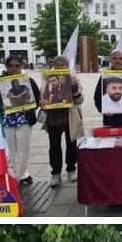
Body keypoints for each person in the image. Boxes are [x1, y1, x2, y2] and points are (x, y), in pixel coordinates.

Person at [0, 55, 40, 186]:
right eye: (11, 66)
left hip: (24, 118)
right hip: (6, 119)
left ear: (21, 66)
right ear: (6, 66)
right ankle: (14, 172)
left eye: (17, 65)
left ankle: (22, 173)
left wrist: (30, 104)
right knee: (10, 148)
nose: (14, 68)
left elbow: (36, 100)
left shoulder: (28, 81)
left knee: (23, 147)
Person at [40, 56, 83, 188]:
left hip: (69, 116)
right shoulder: (48, 78)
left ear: (67, 65)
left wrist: (74, 89)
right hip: (53, 117)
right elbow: (41, 97)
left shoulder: (72, 78)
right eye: (57, 63)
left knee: (71, 144)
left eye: (62, 64)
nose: (59, 66)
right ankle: (56, 173)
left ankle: (71, 169)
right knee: (54, 146)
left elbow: (79, 100)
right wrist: (42, 102)